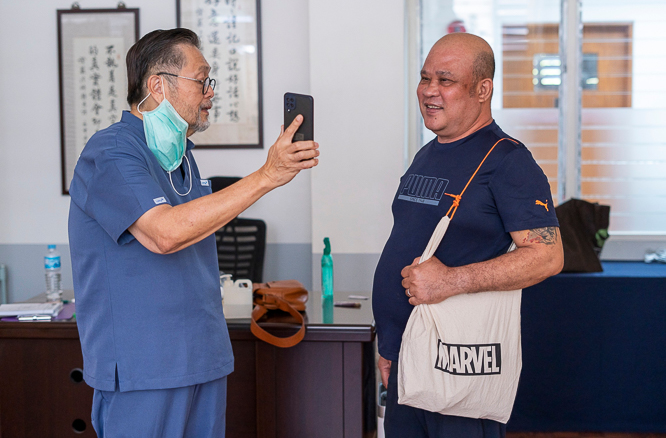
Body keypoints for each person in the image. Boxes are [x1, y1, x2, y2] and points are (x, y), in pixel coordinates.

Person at [68, 28, 319, 437]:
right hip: (145, 367)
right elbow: (164, 234)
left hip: (201, 357)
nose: (210, 92)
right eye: (202, 81)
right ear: (157, 86)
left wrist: (268, 178)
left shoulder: (182, 158)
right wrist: (266, 176)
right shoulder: (111, 152)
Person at [372, 33, 563, 438]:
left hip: (457, 361)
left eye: (445, 80)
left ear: (482, 89)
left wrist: (450, 281)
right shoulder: (429, 152)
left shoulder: (509, 161)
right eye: (425, 79)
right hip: (408, 358)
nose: (429, 92)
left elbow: (548, 256)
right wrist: (390, 345)